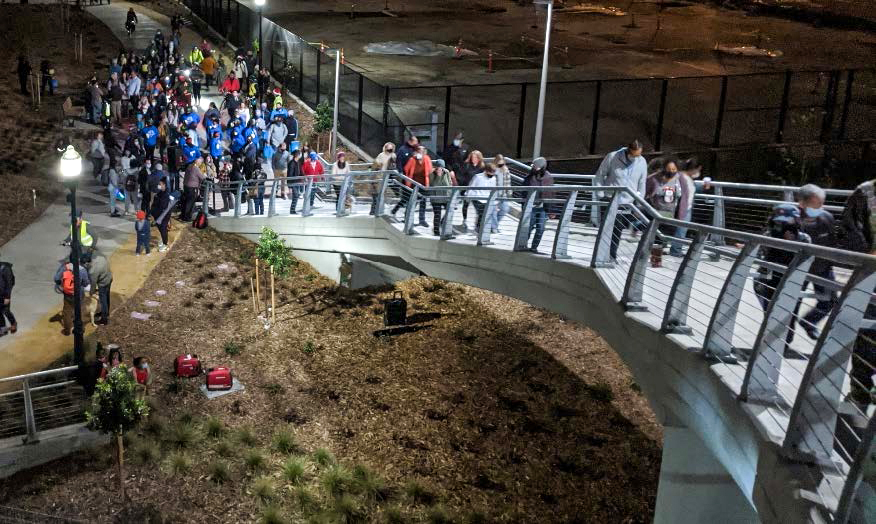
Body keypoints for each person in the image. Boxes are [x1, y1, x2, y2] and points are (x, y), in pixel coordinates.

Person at [593, 140, 648, 261]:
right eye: (634, 155)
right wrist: (600, 194)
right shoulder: (613, 157)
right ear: (628, 151)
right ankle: (603, 254)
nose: (636, 158)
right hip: (609, 198)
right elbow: (600, 175)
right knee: (607, 228)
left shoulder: (642, 162)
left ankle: (611, 254)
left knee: (617, 229)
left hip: (626, 202)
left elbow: (642, 183)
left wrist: (639, 203)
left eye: (638, 155)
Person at [645, 158, 682, 267]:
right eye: (669, 168)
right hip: (656, 213)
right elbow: (645, 194)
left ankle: (655, 256)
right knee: (657, 238)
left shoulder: (677, 179)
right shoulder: (653, 179)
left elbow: (679, 196)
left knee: (663, 237)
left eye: (674, 169)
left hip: (670, 214)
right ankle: (655, 261)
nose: (672, 171)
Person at [671, 157, 710, 257]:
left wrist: (704, 185)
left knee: (681, 230)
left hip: (685, 207)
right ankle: (676, 250)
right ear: (695, 168)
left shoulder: (686, 178)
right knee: (681, 229)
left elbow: (692, 189)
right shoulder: (682, 177)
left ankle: (675, 249)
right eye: (698, 170)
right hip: (682, 208)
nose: (698, 172)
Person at [521, 157, 554, 253]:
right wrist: (524, 207)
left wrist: (552, 210)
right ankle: (522, 245)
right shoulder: (529, 177)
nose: (534, 168)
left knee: (541, 229)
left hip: (543, 208)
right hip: (530, 208)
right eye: (533, 166)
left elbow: (551, 194)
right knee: (528, 227)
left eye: (537, 166)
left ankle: (534, 247)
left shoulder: (548, 177)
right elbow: (524, 193)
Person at [393, 146, 431, 226]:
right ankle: (407, 217)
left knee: (423, 202)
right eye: (419, 151)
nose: (420, 152)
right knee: (412, 201)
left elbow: (429, 169)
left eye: (422, 151)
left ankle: (422, 220)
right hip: (413, 184)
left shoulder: (427, 159)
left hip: (423, 184)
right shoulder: (412, 159)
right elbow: (406, 169)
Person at [53, 255, 90, 336]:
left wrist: (62, 283)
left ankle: (67, 330)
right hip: (79, 294)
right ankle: (80, 328)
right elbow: (86, 283)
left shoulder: (65, 267)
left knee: (67, 312)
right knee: (80, 310)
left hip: (67, 294)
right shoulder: (82, 269)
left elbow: (56, 278)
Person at [458, 150, 486, 231]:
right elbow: (461, 176)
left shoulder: (482, 167)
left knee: (479, 208)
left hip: (477, 191)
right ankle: (464, 220)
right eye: (472, 157)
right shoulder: (466, 165)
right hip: (467, 189)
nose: (474, 159)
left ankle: (478, 224)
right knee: (465, 205)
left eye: (476, 157)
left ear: (479, 158)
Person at [429, 159, 456, 236]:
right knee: (437, 214)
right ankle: (436, 231)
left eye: (442, 167)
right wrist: (438, 176)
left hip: (445, 197)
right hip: (436, 198)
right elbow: (434, 185)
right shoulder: (432, 173)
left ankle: (444, 224)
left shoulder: (446, 172)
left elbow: (449, 183)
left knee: (450, 211)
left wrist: (450, 194)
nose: (440, 169)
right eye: (439, 167)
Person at [86, 250, 113, 326]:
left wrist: (91, 292)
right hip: (109, 278)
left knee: (103, 300)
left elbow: (93, 283)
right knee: (107, 297)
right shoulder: (100, 255)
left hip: (103, 284)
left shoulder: (93, 270)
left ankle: (104, 319)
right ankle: (106, 313)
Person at [469, 163, 498, 233]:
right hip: (476, 197)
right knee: (482, 212)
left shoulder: (493, 179)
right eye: (490, 173)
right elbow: (471, 187)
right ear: (486, 171)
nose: (491, 175)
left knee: (484, 214)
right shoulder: (478, 177)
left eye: (493, 173)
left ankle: (479, 228)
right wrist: (469, 196)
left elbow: (493, 190)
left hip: (486, 199)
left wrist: (495, 202)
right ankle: (479, 228)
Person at [369, 142, 396, 215]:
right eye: (388, 148)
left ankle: (379, 209)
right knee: (376, 194)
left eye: (391, 148)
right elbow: (376, 166)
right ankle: (374, 210)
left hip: (386, 177)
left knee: (382, 194)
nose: (389, 150)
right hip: (378, 176)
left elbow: (393, 165)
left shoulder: (393, 155)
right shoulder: (381, 155)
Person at [150, 177, 176, 252]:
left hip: (163, 216)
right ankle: (163, 239)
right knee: (161, 228)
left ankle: (165, 244)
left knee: (163, 228)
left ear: (164, 185)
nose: (159, 185)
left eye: (160, 184)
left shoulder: (166, 194)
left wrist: (156, 199)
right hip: (158, 215)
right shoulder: (161, 192)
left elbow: (163, 206)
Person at [182, 156, 206, 221]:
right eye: (200, 162)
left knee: (186, 201)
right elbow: (202, 177)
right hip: (191, 187)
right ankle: (187, 217)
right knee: (190, 202)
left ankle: (183, 215)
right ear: (197, 161)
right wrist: (204, 175)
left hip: (186, 186)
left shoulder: (189, 166)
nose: (201, 164)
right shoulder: (196, 168)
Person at [492, 154, 512, 233]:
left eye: (502, 162)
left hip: (503, 194)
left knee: (505, 209)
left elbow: (508, 182)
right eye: (499, 162)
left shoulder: (505, 170)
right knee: (493, 211)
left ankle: (494, 225)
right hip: (494, 194)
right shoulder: (492, 169)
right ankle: (494, 227)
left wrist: (509, 192)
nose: (501, 164)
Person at [0, 255, 15, 336]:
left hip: (4, 295)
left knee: (6, 311)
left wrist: (7, 297)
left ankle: (13, 323)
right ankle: (3, 328)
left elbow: (9, 284)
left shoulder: (5, 269)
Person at [287, 149, 302, 214]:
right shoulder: (292, 163)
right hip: (293, 182)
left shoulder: (298, 162)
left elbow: (300, 171)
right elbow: (290, 174)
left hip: (297, 181)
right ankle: (292, 210)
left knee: (296, 196)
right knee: (295, 196)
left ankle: (293, 210)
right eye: (299, 154)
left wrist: (304, 177)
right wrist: (289, 186)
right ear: (297, 155)